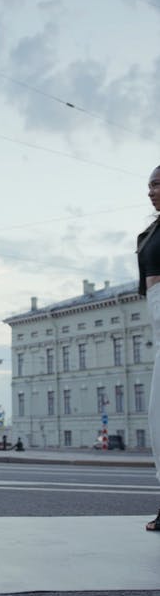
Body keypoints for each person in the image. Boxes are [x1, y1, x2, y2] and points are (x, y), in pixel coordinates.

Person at [138, 166, 160, 530]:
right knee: (157, 417)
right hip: (156, 306)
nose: (150, 191)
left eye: (157, 183)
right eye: (150, 185)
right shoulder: (149, 231)